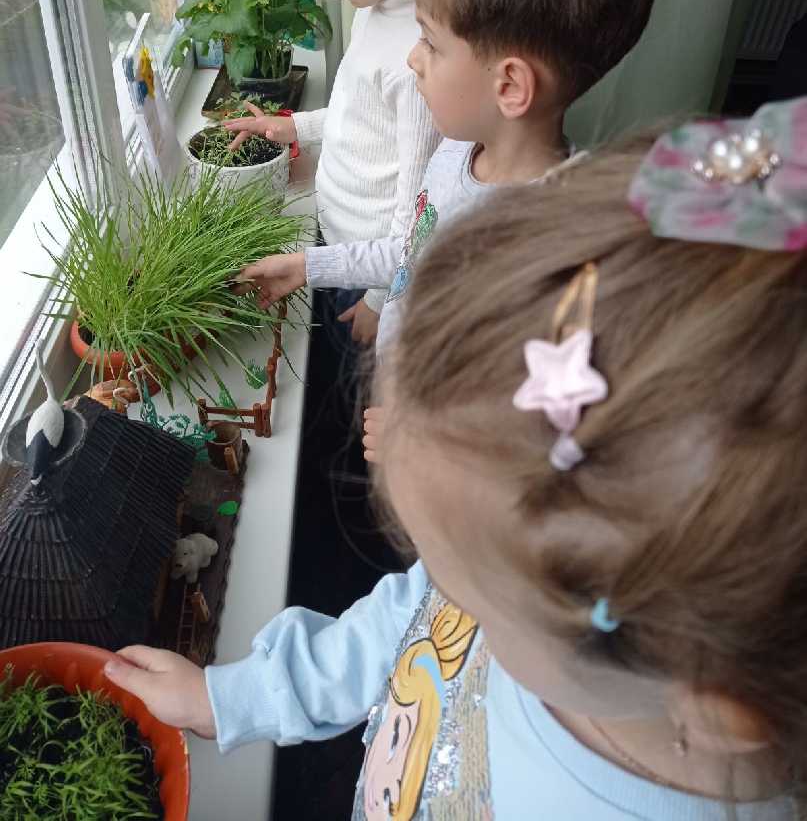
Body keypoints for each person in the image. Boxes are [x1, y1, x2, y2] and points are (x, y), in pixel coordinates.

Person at [106, 96, 807, 817]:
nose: (444, 593)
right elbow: (411, 619)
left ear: (722, 709)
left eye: (463, 587)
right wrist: (234, 697)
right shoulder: (517, 571)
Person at [238, 0, 656, 363]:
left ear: (510, 86)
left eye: (431, 43)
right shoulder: (457, 150)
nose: (412, 58)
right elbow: (411, 251)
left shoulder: (540, 241)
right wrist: (309, 266)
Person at [224, 0, 462, 347]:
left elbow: (417, 223)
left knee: (345, 384)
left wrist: (381, 301)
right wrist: (297, 127)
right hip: (340, 246)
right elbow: (365, 116)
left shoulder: (418, 52)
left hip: (370, 276)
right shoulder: (378, 5)